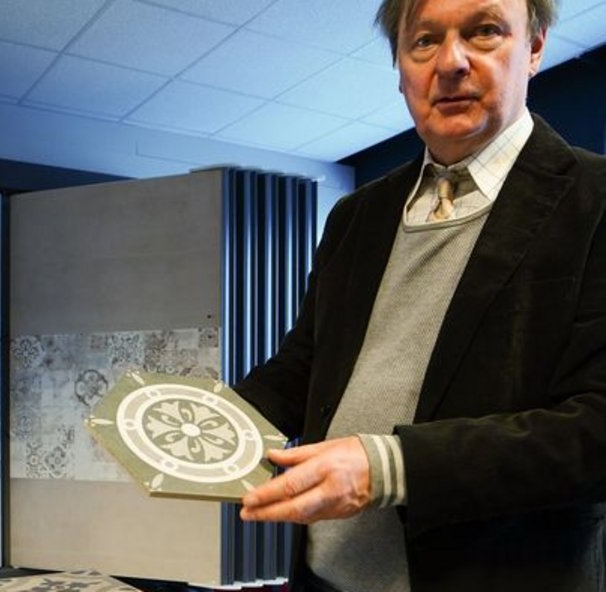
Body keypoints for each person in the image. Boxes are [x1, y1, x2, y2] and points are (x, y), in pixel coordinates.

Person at [234, 0, 606, 590]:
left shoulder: (596, 200)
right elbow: (302, 368)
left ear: (534, 47)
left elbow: (596, 430)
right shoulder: (356, 215)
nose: (450, 62)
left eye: (484, 32)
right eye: (424, 41)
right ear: (400, 66)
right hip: (320, 579)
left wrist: (391, 467)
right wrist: (200, 422)